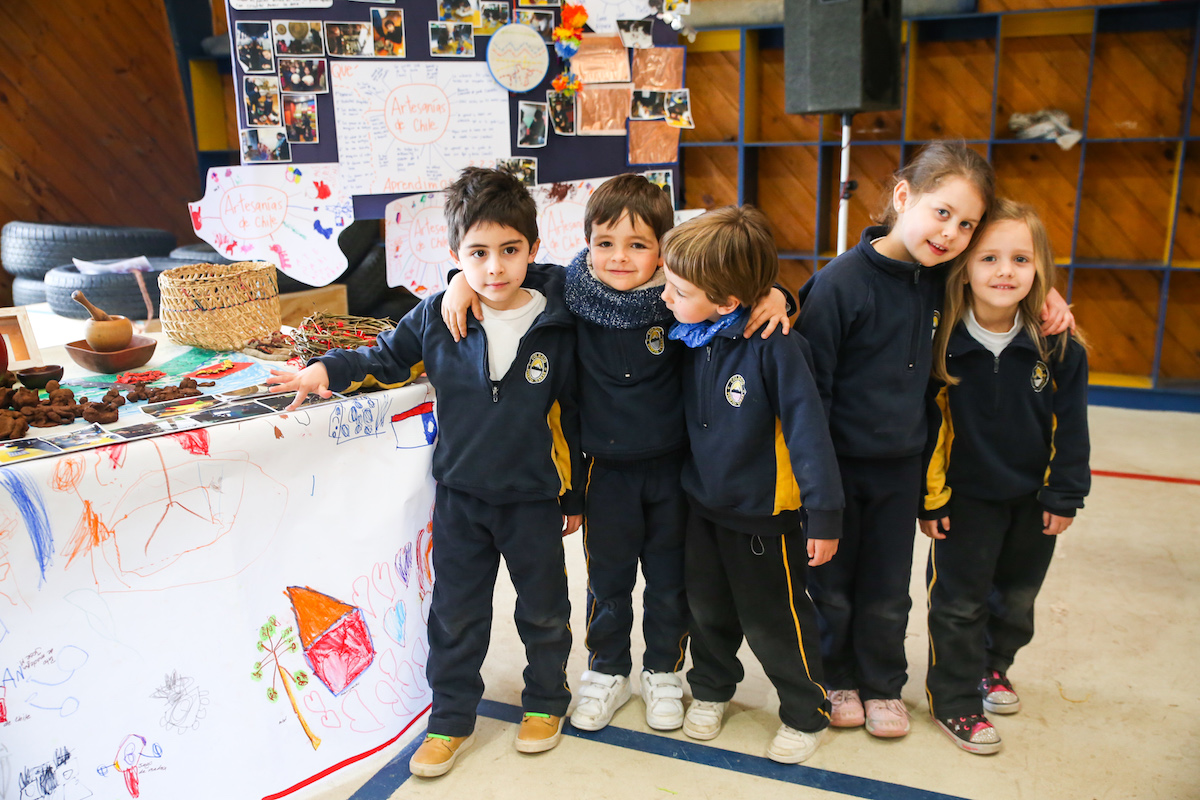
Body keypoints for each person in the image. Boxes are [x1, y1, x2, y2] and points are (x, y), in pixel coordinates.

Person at [439, 175, 793, 734]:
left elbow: (734, 283)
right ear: (587, 244)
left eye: (638, 244)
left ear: (664, 250)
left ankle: (662, 670)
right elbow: (503, 271)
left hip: (673, 471)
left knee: (669, 581)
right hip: (604, 473)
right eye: (605, 243)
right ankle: (607, 669)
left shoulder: (681, 298)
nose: (619, 257)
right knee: (607, 581)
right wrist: (459, 281)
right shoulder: (569, 290)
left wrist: (778, 293)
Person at [265, 167, 583, 777]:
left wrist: (575, 497)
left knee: (544, 610)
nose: (495, 268)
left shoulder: (560, 313)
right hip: (461, 499)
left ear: (533, 250)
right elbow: (383, 358)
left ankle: (546, 701)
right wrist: (323, 371)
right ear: (454, 255)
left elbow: (574, 402)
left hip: (534, 498)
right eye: (478, 254)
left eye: (510, 250)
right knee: (456, 616)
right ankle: (451, 718)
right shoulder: (438, 315)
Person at [796, 141, 1074, 740]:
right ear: (904, 196)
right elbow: (809, 399)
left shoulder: (943, 276)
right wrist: (817, 495)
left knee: (888, 590)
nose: (951, 233)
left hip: (901, 469)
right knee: (832, 588)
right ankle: (836, 678)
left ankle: (882, 685)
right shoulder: (840, 284)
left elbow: (1007, 263)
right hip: (837, 470)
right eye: (941, 212)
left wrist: (1047, 292)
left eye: (966, 224)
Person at [660, 205, 843, 765]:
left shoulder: (777, 346)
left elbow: (810, 434)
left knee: (775, 624)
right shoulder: (692, 333)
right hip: (704, 509)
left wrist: (824, 514)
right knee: (706, 612)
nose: (664, 297)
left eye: (677, 290)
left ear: (727, 301)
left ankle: (807, 711)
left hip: (765, 518)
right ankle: (712, 689)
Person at [919, 198, 1090, 754]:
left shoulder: (1058, 344)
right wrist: (932, 499)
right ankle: (954, 700)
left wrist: (1064, 494)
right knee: (959, 604)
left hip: (1033, 501)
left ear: (1040, 268)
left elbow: (1071, 425)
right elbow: (930, 429)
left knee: (1016, 601)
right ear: (964, 266)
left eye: (1021, 259)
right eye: (989, 258)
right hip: (964, 503)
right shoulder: (942, 341)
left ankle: (994, 667)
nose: (1005, 272)